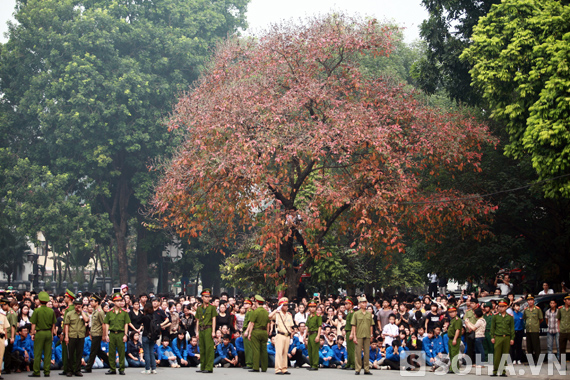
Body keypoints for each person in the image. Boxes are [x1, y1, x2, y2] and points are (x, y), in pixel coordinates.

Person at [28, 291, 56, 378]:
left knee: (37, 352)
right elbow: (53, 324)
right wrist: (51, 334)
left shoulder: (37, 311)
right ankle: (47, 371)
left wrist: (32, 333)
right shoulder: (51, 311)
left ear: (39, 300)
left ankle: (36, 372)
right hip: (48, 332)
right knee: (48, 353)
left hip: (40, 332)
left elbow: (33, 324)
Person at [103, 293, 131, 375]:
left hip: (120, 333)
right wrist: (106, 334)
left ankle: (121, 369)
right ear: (114, 302)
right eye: (117, 301)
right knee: (111, 352)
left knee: (121, 351)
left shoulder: (124, 312)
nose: (120, 303)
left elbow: (126, 324)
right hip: (112, 333)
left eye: (120, 301)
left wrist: (125, 335)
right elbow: (106, 323)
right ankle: (112, 368)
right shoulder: (109, 312)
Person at [64, 296, 89, 377]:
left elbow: (86, 320)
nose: (77, 306)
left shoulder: (84, 313)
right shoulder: (69, 314)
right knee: (70, 354)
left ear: (82, 305)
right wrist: (66, 336)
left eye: (79, 304)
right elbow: (66, 325)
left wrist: (81, 311)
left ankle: (77, 370)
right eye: (76, 304)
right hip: (72, 335)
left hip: (81, 336)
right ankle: (69, 370)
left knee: (79, 354)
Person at [268, 297, 294, 374]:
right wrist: (276, 309)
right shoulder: (277, 314)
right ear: (281, 306)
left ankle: (284, 368)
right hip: (280, 334)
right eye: (284, 305)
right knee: (279, 352)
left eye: (287, 305)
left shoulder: (289, 315)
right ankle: (278, 369)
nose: (287, 306)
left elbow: (291, 326)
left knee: (285, 352)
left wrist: (291, 334)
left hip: (287, 335)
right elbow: (269, 317)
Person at [84, 294, 109, 373]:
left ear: (97, 302)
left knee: (93, 351)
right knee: (98, 351)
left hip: (98, 334)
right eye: (90, 301)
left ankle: (88, 367)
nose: (91, 303)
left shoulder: (100, 312)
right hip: (94, 333)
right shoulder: (95, 311)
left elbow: (103, 324)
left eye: (92, 301)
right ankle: (112, 364)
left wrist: (104, 335)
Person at [245, 295, 270, 373]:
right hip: (264, 332)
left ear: (257, 302)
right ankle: (264, 367)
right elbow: (268, 324)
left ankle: (256, 367)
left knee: (256, 350)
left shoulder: (255, 311)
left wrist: (249, 333)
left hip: (256, 331)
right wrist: (267, 333)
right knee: (264, 350)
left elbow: (252, 323)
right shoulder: (266, 312)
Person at [195, 289, 217, 373]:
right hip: (201, 330)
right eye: (205, 297)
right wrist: (197, 332)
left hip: (208, 329)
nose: (207, 298)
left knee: (209, 349)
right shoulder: (199, 308)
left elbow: (214, 319)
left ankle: (209, 367)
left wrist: (213, 331)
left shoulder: (212, 308)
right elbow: (197, 320)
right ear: (202, 297)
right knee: (202, 348)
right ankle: (203, 367)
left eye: (208, 297)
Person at [490, 300, 514, 377]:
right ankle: (495, 371)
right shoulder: (495, 316)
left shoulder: (510, 317)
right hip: (498, 337)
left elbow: (512, 329)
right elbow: (492, 328)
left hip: (506, 337)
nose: (501, 308)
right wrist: (492, 337)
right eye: (500, 306)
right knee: (497, 355)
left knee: (505, 355)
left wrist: (512, 338)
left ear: (506, 307)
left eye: (503, 306)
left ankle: (503, 371)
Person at [351, 296, 373, 375]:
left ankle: (366, 369)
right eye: (362, 302)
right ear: (359, 304)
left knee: (367, 352)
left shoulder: (369, 314)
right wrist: (354, 336)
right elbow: (354, 325)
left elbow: (371, 325)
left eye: (365, 302)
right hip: (359, 335)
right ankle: (358, 369)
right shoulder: (356, 314)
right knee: (358, 352)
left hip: (367, 335)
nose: (364, 304)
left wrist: (371, 334)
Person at [58, 289, 75, 376]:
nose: (64, 298)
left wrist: (63, 334)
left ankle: (67, 369)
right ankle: (73, 368)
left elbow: (65, 323)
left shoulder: (68, 310)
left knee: (66, 352)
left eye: (65, 297)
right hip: (74, 333)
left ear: (69, 298)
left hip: (68, 333)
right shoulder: (74, 308)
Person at [522, 294, 542, 364]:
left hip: (535, 330)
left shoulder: (537, 309)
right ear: (527, 302)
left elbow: (541, 319)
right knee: (529, 346)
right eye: (529, 300)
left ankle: (538, 360)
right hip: (528, 330)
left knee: (536, 346)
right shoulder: (526, 310)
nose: (530, 302)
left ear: (533, 301)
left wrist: (535, 324)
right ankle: (531, 361)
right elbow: (524, 318)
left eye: (531, 300)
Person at [305, 299, 322, 371]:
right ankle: (311, 364)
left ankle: (315, 365)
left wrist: (318, 336)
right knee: (310, 350)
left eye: (314, 307)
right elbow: (307, 326)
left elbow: (320, 327)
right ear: (309, 308)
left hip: (315, 333)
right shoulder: (309, 316)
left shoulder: (318, 316)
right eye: (311, 307)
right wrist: (305, 336)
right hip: (310, 334)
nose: (312, 308)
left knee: (315, 350)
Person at [141, 303, 157, 374]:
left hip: (145, 335)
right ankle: (153, 368)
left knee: (146, 352)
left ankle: (147, 369)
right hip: (153, 336)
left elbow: (138, 321)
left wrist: (142, 314)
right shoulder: (153, 316)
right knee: (151, 352)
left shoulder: (145, 317)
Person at [446, 306, 462, 374]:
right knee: (452, 354)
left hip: (454, 338)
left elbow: (457, 330)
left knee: (454, 353)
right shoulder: (452, 320)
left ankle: (453, 368)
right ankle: (455, 368)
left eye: (453, 312)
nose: (452, 313)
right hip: (450, 339)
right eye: (450, 312)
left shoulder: (457, 320)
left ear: (456, 312)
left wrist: (455, 339)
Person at [0, 298, 13, 380]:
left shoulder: (2, 316)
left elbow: (5, 329)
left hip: (1, 337)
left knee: (0, 356)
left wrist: (6, 340)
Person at [556, 294, 570, 363]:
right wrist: (559, 328)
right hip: (563, 330)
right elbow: (558, 319)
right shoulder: (561, 309)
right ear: (564, 301)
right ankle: (563, 364)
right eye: (568, 300)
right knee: (562, 348)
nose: (569, 301)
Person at [344, 297, 355, 371]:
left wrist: (352, 334)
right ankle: (349, 362)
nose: (345, 305)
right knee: (348, 348)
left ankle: (353, 364)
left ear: (351, 305)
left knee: (351, 349)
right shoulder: (348, 313)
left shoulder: (352, 313)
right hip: (347, 331)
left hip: (351, 331)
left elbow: (353, 324)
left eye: (347, 304)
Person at [241, 299, 253, 369]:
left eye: (246, 303)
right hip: (245, 329)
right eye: (244, 303)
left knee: (249, 348)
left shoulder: (250, 311)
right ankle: (248, 362)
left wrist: (247, 331)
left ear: (250, 305)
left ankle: (250, 363)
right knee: (246, 348)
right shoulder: (247, 312)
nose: (245, 304)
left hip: (247, 330)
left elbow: (250, 322)